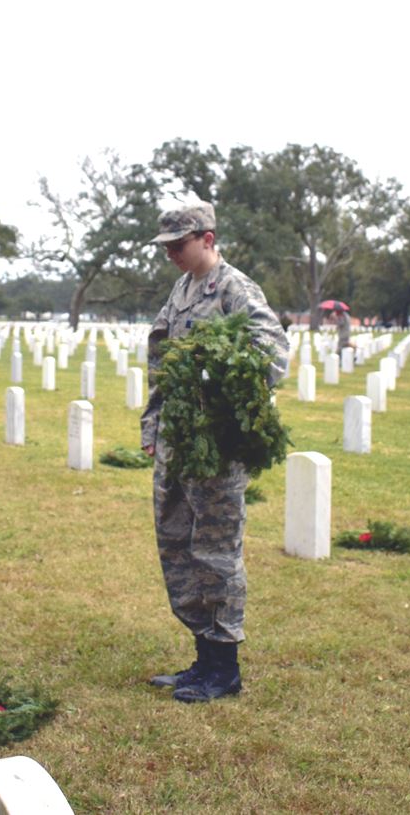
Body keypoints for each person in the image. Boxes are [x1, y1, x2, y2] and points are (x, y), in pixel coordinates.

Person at [140, 202, 289, 704]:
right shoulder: (181, 289)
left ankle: (224, 667)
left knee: (216, 552)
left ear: (207, 238)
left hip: (216, 446)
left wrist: (215, 383)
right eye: (166, 248)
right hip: (177, 444)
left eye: (177, 246)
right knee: (177, 546)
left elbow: (272, 354)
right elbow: (161, 359)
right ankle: (202, 656)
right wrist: (152, 426)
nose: (171, 255)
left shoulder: (234, 288)